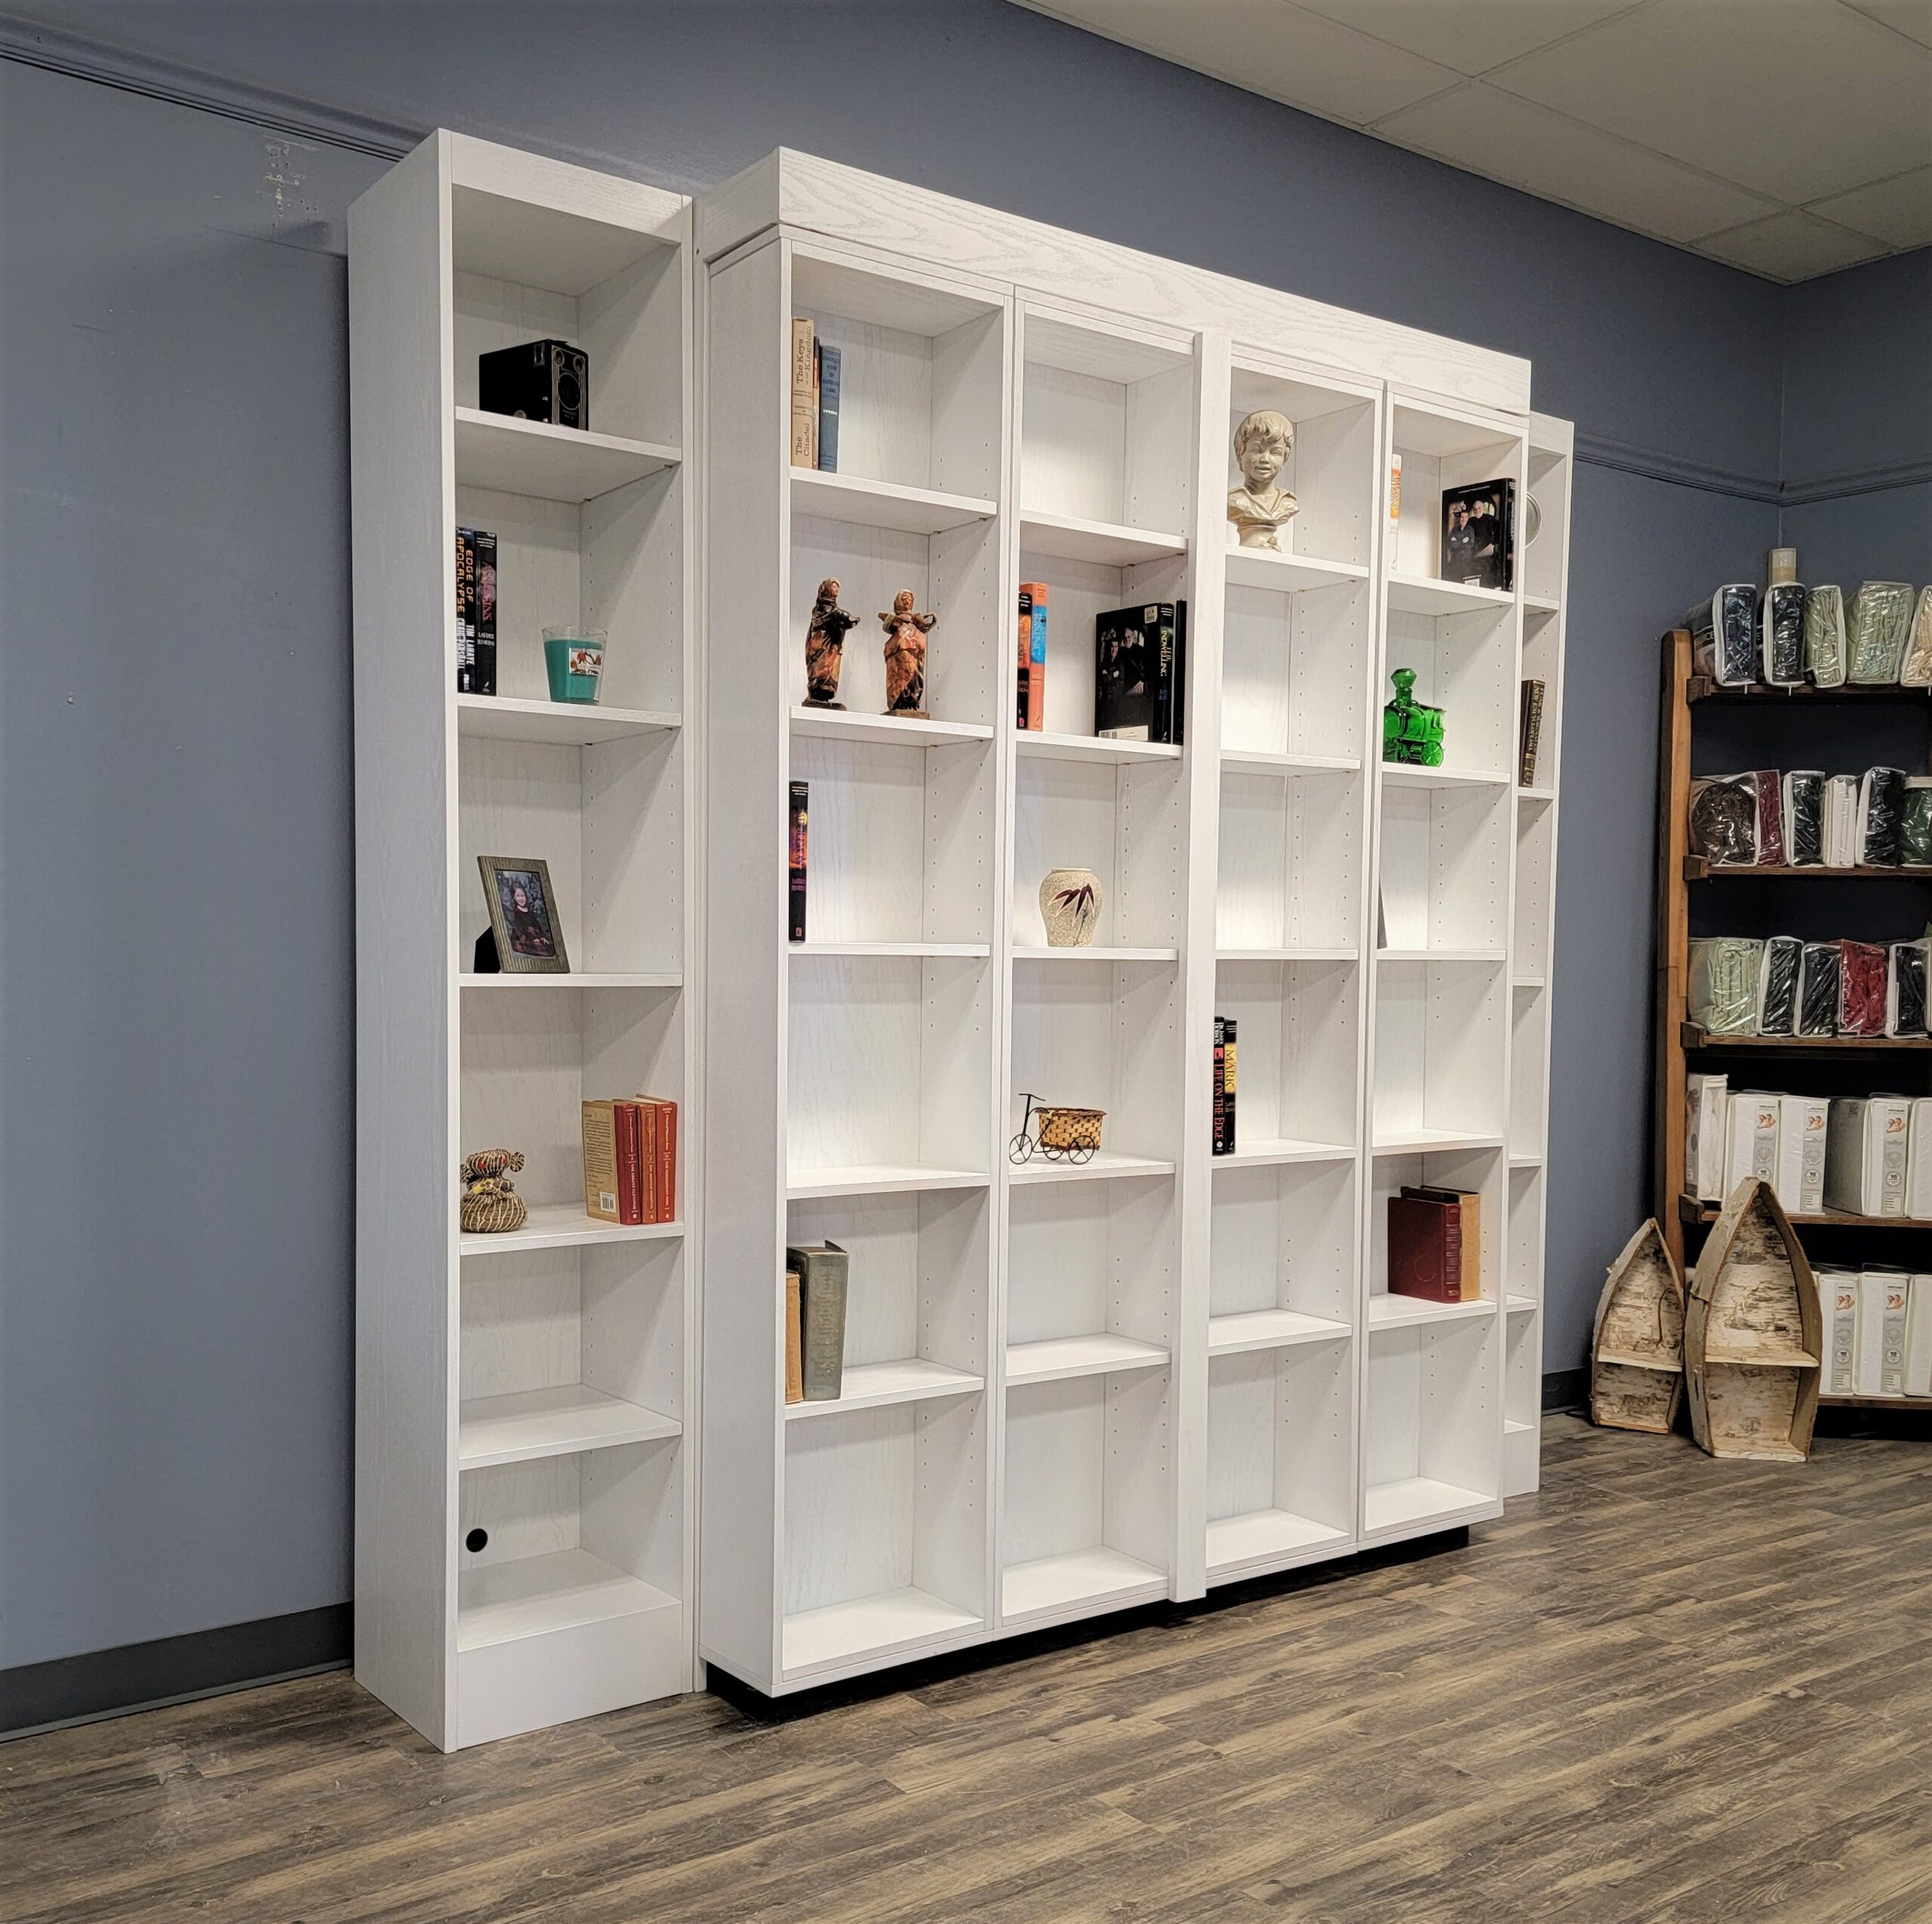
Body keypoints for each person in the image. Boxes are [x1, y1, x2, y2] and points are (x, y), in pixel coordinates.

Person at [502, 876, 555, 958]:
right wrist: (532, 938)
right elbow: (520, 929)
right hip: (524, 936)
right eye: (518, 896)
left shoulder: (530, 911)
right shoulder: (516, 913)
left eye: (522, 896)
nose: (521, 899)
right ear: (514, 898)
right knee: (535, 945)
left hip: (534, 933)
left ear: (526, 897)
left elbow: (537, 925)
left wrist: (541, 936)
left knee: (548, 944)